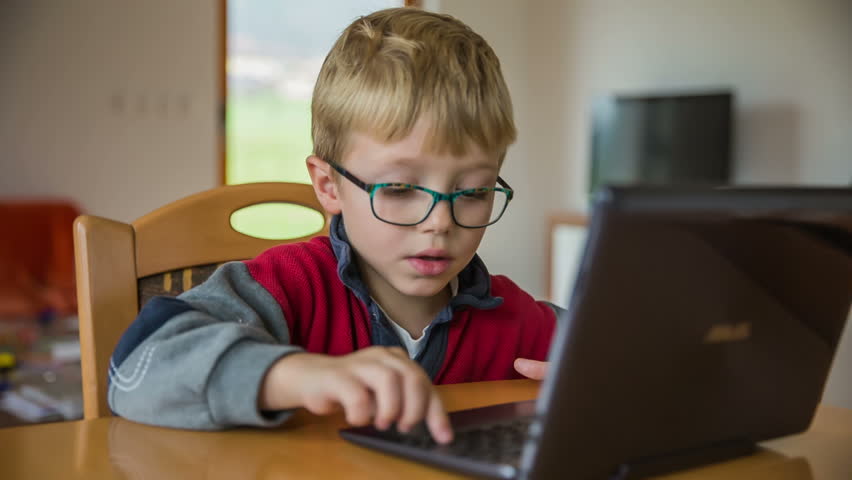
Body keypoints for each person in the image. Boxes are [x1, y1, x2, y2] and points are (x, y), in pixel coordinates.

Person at [108, 7, 559, 445]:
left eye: (475, 193)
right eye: (400, 189)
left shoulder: (511, 318)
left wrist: (613, 372)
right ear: (329, 186)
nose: (439, 223)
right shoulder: (290, 286)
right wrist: (292, 374)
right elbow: (138, 366)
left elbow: (616, 351)